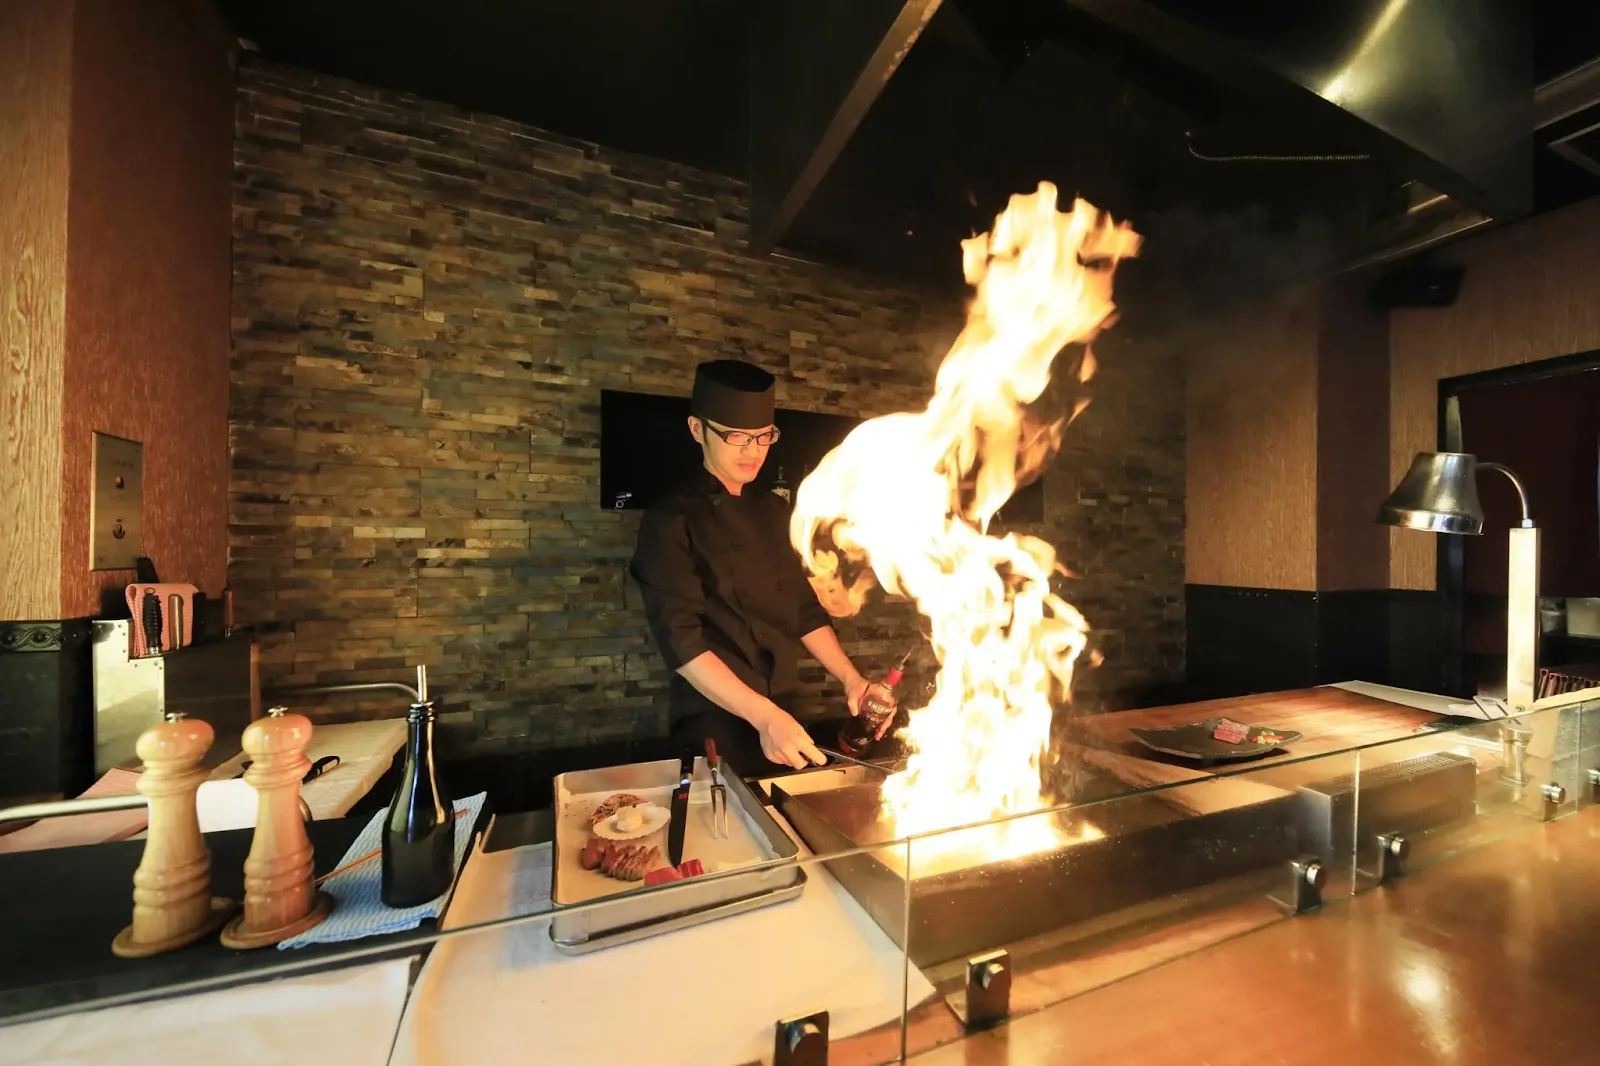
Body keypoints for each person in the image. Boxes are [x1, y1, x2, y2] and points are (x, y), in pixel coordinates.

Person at [629, 359, 892, 774]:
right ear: (698, 430)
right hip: (713, 720)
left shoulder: (774, 512)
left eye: (763, 436)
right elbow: (681, 640)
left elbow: (803, 611)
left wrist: (851, 679)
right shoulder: (669, 520)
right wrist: (762, 715)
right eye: (737, 437)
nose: (754, 451)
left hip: (785, 714)